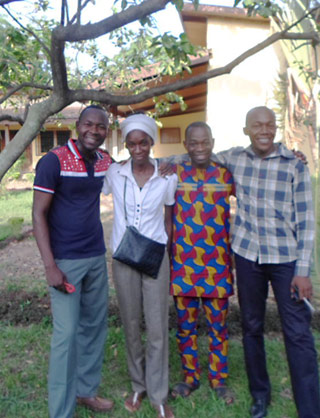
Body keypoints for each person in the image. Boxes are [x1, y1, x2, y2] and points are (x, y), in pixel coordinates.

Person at [214, 106, 320, 418]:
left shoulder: (294, 166)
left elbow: (306, 220)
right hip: (248, 256)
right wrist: (153, 163)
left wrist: (303, 271)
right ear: (246, 130)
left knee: (298, 333)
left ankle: (310, 409)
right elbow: (198, 152)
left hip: (286, 259)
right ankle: (260, 395)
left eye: (269, 125)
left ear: (276, 128)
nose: (264, 130)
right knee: (251, 326)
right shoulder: (234, 158)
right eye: (256, 125)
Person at [32, 105, 114, 418]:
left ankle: (85, 391)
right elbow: (38, 213)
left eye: (101, 126)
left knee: (94, 326)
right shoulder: (54, 161)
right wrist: (50, 265)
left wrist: (167, 167)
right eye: (89, 125)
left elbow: (135, 167)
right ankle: (60, 411)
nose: (95, 131)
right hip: (65, 261)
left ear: (107, 130)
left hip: (95, 255)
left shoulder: (104, 160)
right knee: (66, 335)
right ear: (77, 126)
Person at [102, 113, 178, 418]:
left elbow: (169, 217)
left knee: (157, 327)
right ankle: (138, 385)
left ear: (151, 142)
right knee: (131, 324)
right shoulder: (114, 173)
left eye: (143, 142)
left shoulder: (168, 175)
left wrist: (164, 249)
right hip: (123, 257)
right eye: (131, 143)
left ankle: (159, 394)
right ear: (125, 144)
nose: (137, 148)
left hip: (155, 258)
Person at [169, 122, 235, 405]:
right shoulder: (174, 173)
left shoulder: (226, 174)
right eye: (193, 143)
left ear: (212, 142)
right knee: (186, 327)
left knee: (218, 327)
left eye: (204, 142)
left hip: (217, 267)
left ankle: (218, 380)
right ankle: (190, 377)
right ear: (185, 146)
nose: (199, 148)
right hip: (183, 267)